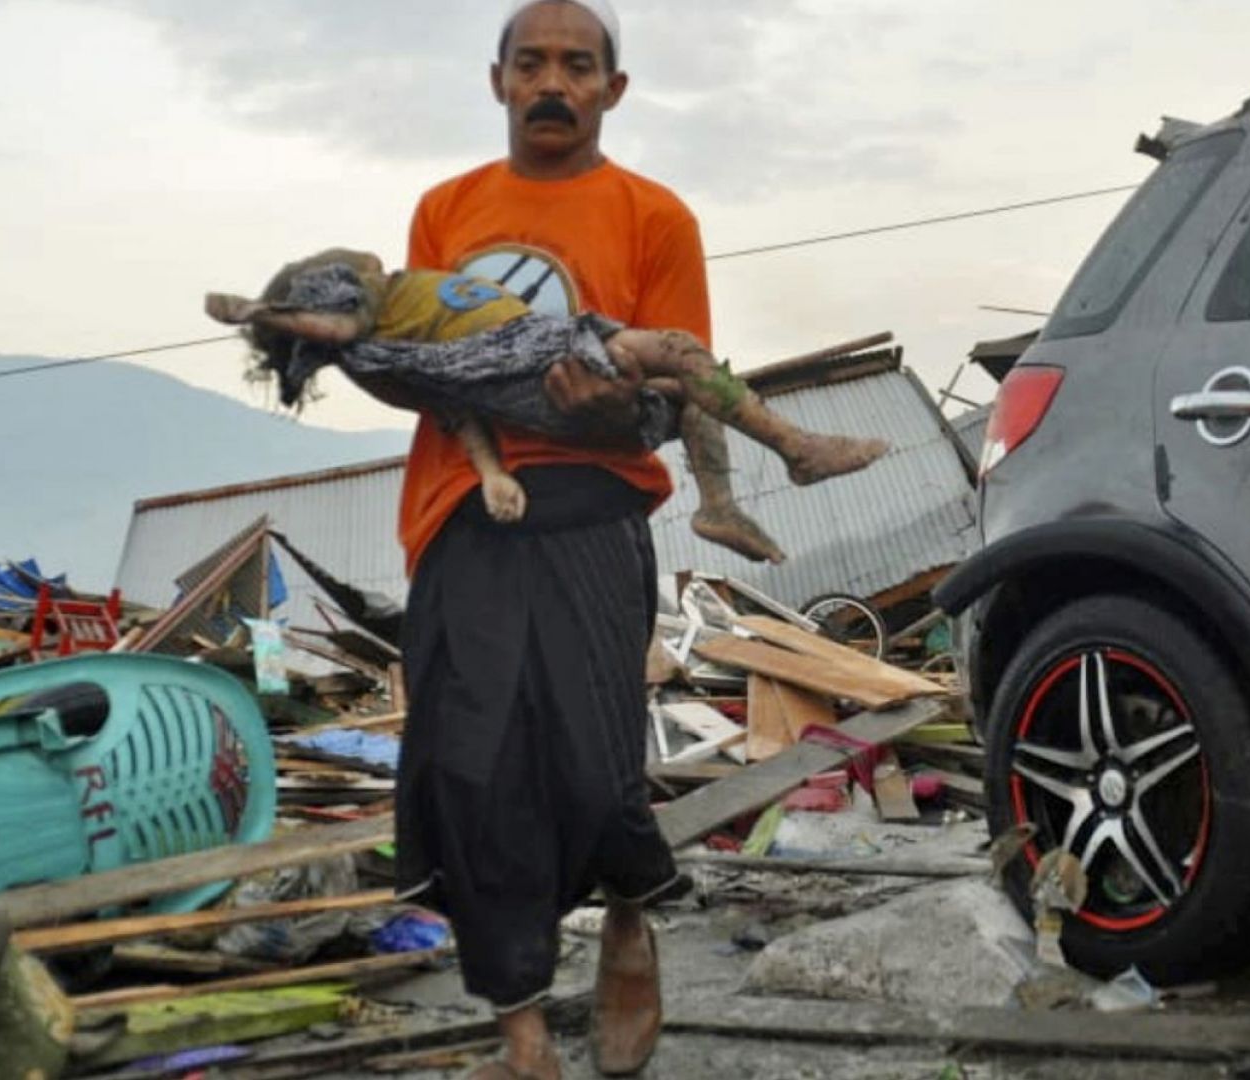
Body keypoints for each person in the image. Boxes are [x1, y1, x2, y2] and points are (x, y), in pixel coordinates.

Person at [389, 3, 755, 1076]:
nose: (555, 83)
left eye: (579, 67)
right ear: (497, 80)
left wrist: (593, 408)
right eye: (534, 64)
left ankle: (631, 926)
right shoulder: (443, 210)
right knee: (469, 770)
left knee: (596, 768)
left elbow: (675, 389)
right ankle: (522, 1028)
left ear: (613, 90)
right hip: (466, 506)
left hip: (594, 508)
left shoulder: (655, 217)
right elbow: (417, 362)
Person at [204, 248, 888, 554]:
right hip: (531, 362)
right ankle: (798, 451)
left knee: (689, 388)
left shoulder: (398, 299)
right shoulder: (368, 340)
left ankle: (719, 507)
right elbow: (450, 399)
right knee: (678, 350)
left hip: (544, 340)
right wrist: (260, 313)